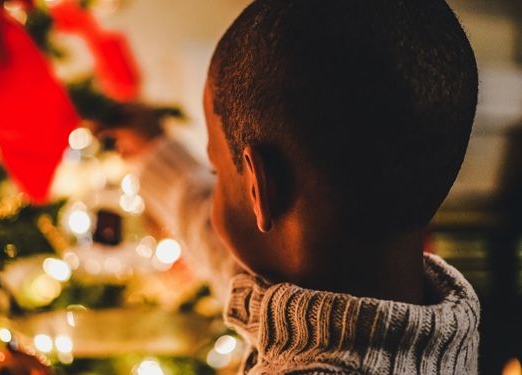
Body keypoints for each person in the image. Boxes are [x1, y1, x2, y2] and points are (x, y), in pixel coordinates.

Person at [95, 0, 480, 373]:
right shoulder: (427, 323)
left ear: (259, 189)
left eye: (217, 173)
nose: (213, 187)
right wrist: (153, 152)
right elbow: (234, 256)